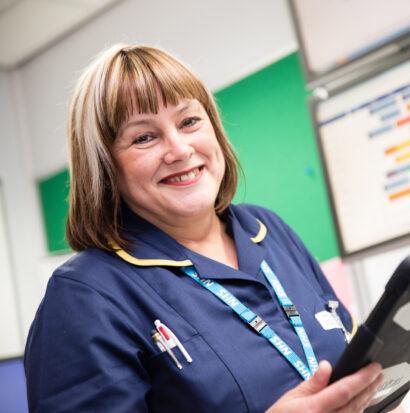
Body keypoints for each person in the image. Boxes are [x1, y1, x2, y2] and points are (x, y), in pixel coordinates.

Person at [24, 44, 385, 412]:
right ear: (104, 168)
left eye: (189, 122)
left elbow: (352, 360)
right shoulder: (85, 297)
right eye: (144, 137)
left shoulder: (268, 229)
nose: (179, 149)